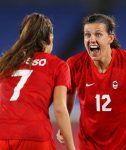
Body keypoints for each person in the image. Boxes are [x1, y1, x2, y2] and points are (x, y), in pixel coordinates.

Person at [57, 13, 126, 150]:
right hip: (89, 144)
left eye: (98, 34)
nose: (92, 39)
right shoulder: (74, 64)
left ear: (110, 38)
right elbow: (70, 93)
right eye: (87, 35)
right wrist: (64, 122)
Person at [0, 12, 75, 150]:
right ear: (49, 38)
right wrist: (71, 147)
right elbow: (59, 109)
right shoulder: (57, 65)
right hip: (34, 134)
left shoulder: (6, 63)